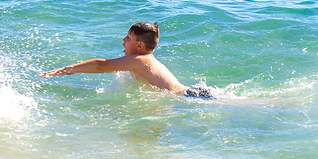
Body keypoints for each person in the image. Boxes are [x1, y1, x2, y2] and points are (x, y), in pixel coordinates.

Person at [40, 22, 215, 98]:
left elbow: (101, 66)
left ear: (139, 46)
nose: (123, 40)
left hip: (192, 96)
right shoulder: (146, 60)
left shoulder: (139, 61)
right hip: (194, 93)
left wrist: (66, 69)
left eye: (128, 38)